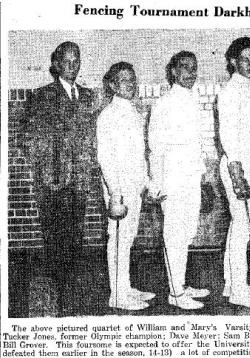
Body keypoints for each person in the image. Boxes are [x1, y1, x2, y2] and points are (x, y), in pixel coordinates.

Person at [25, 41, 96, 315]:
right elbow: (32, 141)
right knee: (56, 241)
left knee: (75, 238)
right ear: (55, 65)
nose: (73, 66)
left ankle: (71, 295)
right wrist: (50, 176)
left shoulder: (88, 96)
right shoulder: (41, 96)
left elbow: (91, 138)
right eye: (67, 61)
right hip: (54, 184)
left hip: (79, 183)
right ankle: (57, 297)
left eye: (77, 60)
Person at [148, 51, 210, 310]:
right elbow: (155, 147)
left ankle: (180, 283)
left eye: (194, 68)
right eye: (184, 67)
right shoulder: (163, 104)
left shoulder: (193, 101)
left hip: (191, 178)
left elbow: (198, 144)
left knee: (186, 234)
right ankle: (175, 292)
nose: (190, 72)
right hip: (172, 180)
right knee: (174, 234)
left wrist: (203, 174)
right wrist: (157, 184)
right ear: (173, 71)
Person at [97, 62, 156, 310]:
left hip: (134, 187)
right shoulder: (108, 115)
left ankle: (126, 287)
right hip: (119, 189)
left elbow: (138, 155)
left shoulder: (133, 113)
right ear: (112, 85)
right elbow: (106, 159)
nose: (129, 84)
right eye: (123, 80)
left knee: (128, 239)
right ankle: (118, 296)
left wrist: (147, 183)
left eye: (132, 79)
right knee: (119, 239)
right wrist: (115, 194)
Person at [217, 37, 250, 308]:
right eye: (244, 59)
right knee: (242, 228)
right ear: (233, 61)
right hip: (238, 169)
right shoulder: (230, 91)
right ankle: (239, 290)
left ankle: (231, 282)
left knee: (239, 227)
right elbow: (228, 136)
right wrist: (237, 174)